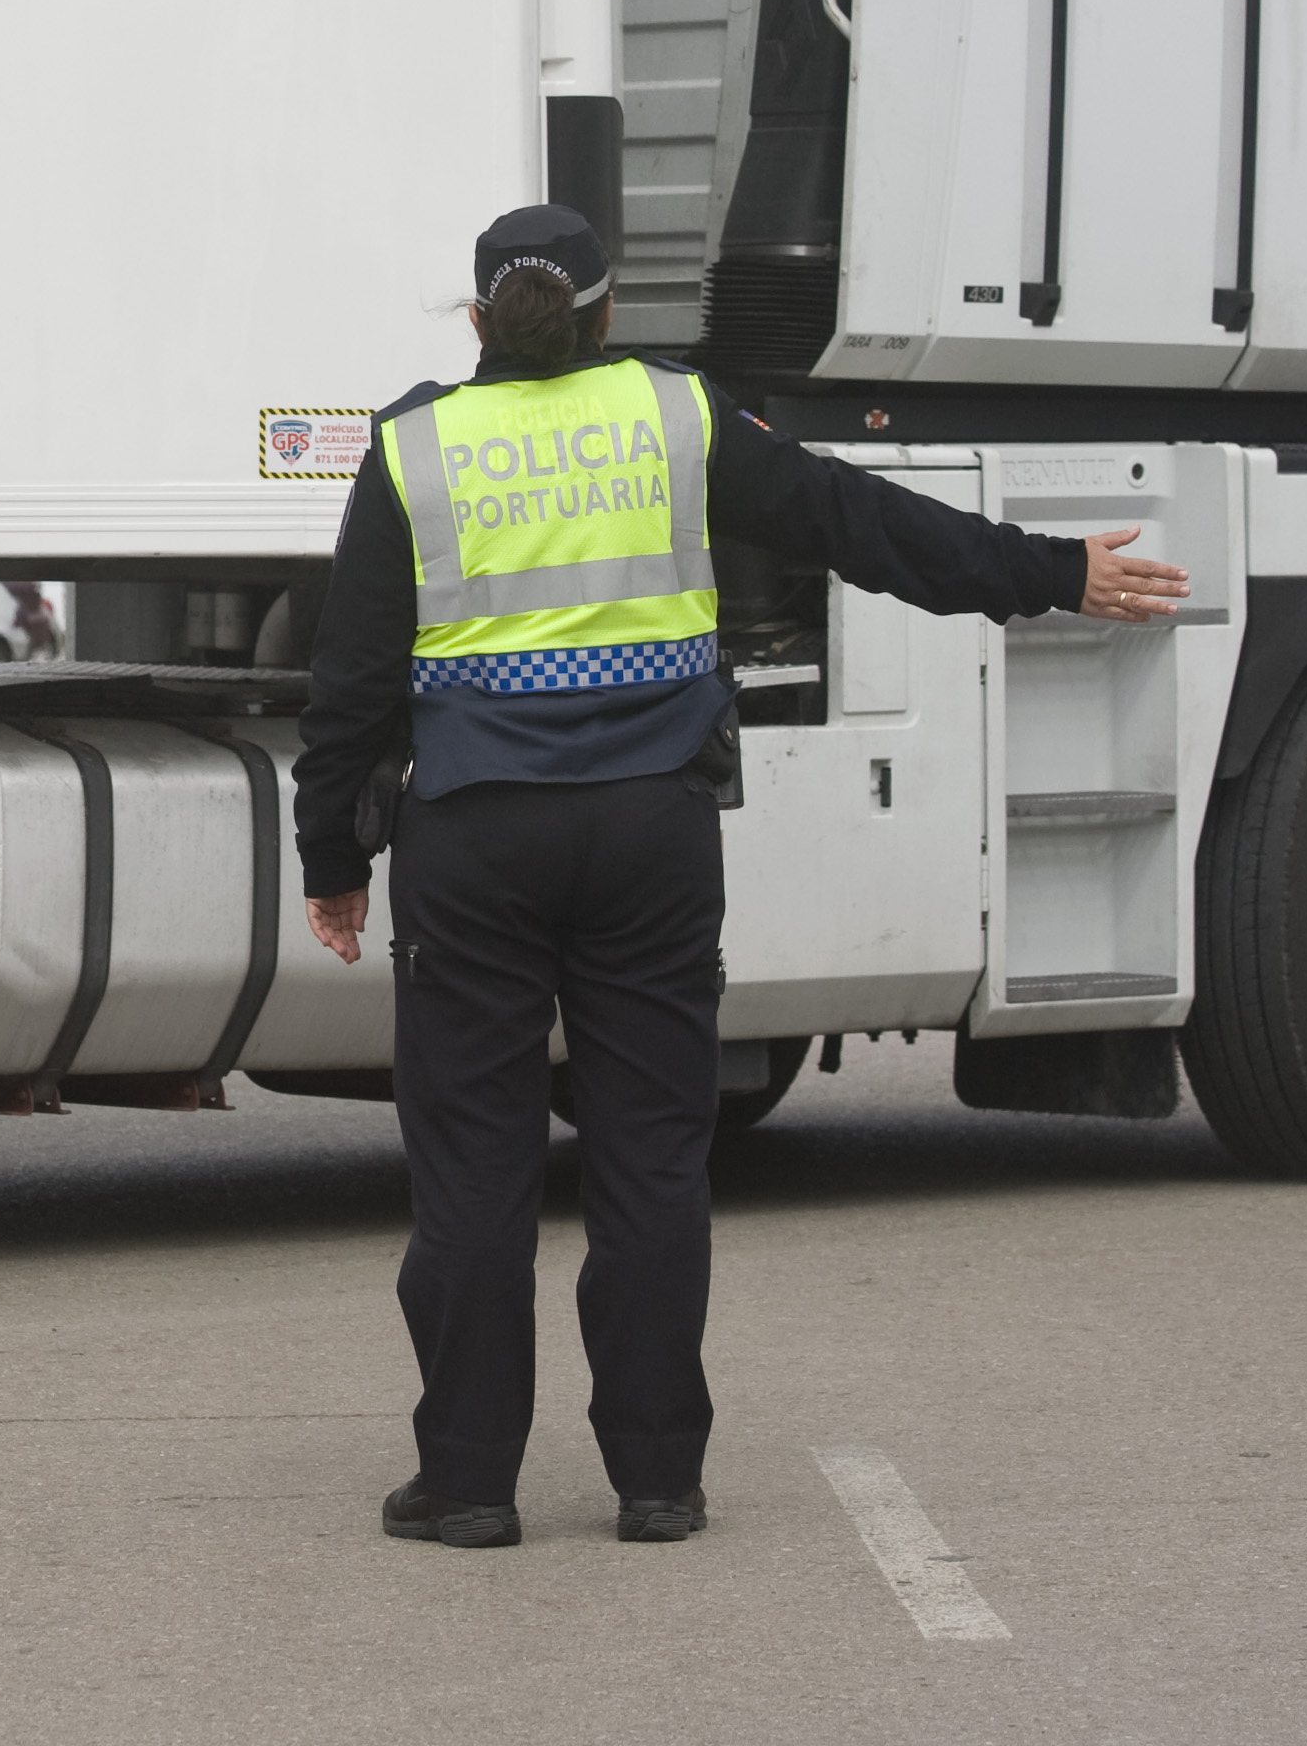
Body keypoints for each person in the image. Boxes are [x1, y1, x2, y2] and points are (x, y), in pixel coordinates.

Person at [296, 203, 1186, 1550]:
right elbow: (858, 523)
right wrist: (1050, 571)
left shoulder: (414, 447)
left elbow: (350, 683)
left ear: (479, 321)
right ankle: (658, 1478)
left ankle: (469, 1481)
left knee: (477, 1169)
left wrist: (333, 858)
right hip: (649, 835)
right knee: (652, 1158)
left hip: (475, 840)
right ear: (605, 314)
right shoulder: (677, 416)